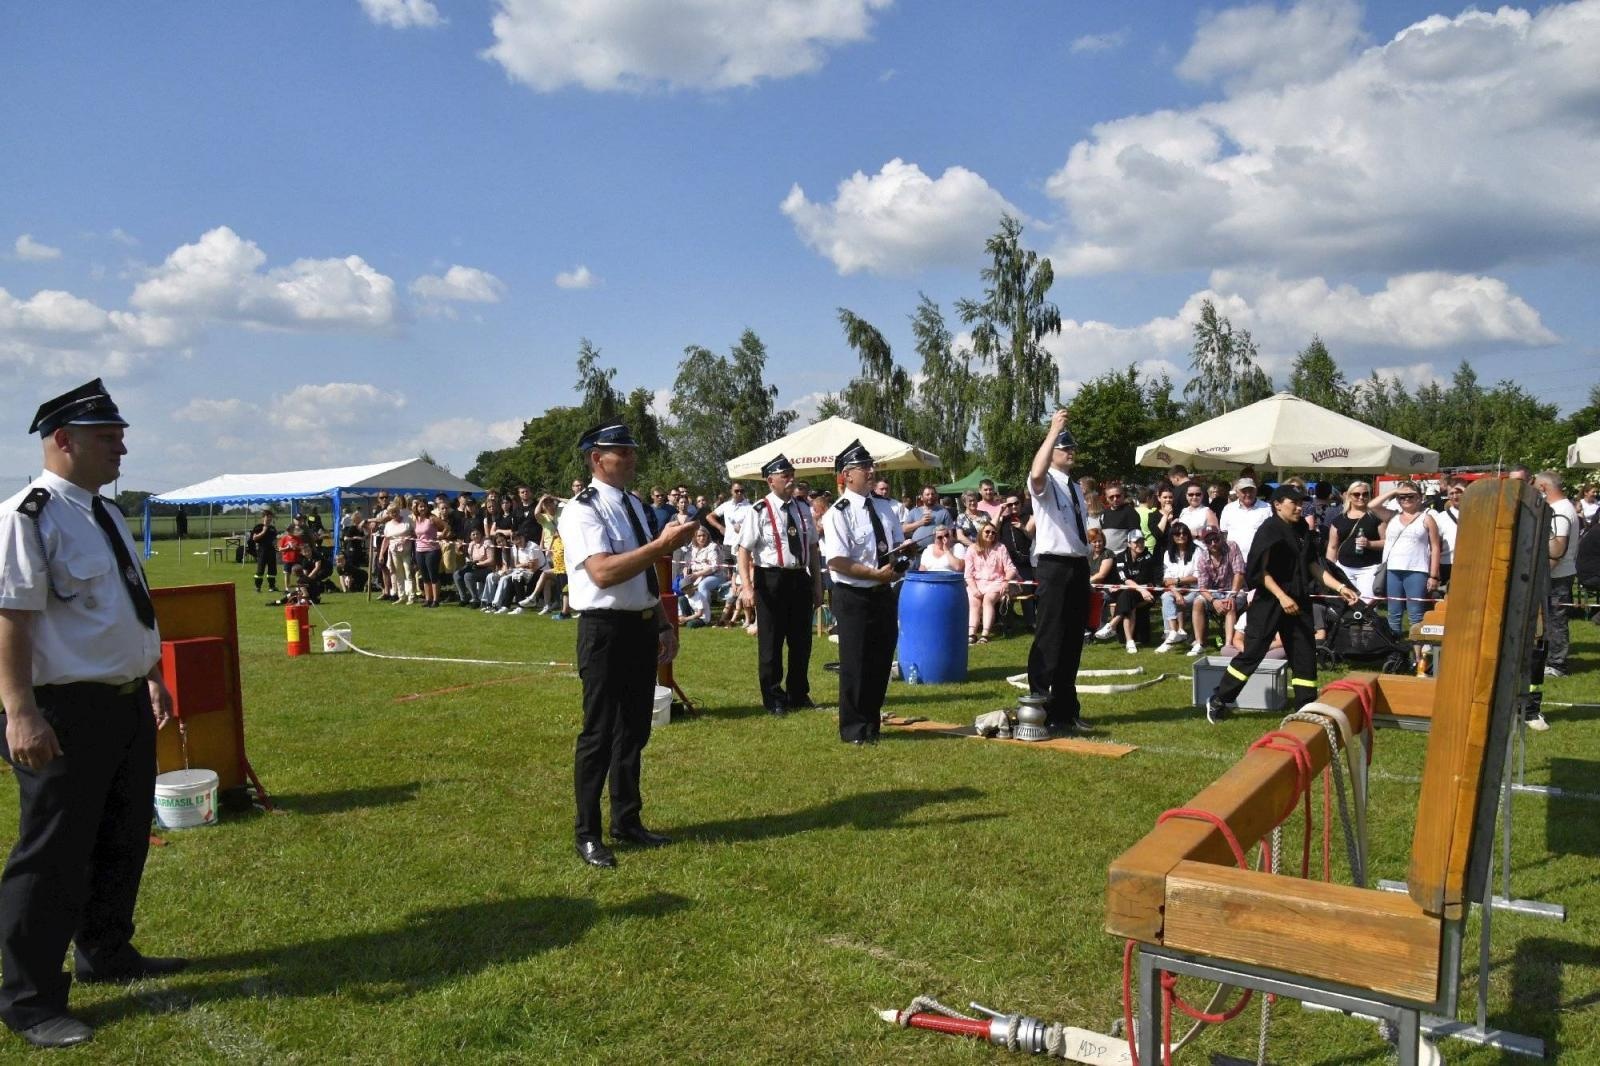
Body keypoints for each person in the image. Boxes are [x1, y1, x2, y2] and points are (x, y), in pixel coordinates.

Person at [0, 379, 186, 1049]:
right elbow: (11, 619)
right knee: (52, 854)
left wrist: (152, 677)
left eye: (121, 435)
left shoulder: (104, 513)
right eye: (109, 437)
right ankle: (28, 998)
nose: (123, 447)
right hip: (62, 707)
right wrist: (19, 712)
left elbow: (127, 607)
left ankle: (107, 951)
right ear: (62, 441)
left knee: (121, 836)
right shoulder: (28, 515)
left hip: (125, 699)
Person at [559, 423, 699, 868]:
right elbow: (604, 573)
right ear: (597, 459)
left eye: (632, 451)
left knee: (634, 729)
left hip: (639, 626)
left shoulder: (634, 505)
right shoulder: (583, 510)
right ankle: (587, 832)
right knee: (599, 732)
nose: (632, 459)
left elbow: (644, 577)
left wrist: (661, 622)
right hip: (604, 629)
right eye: (622, 452)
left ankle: (626, 818)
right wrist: (662, 544)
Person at [1205, 485, 1360, 724]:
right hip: (1270, 601)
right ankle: (1219, 699)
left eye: (1301, 503)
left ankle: (1306, 707)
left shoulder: (1302, 529)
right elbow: (1259, 571)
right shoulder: (1269, 530)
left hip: (1298, 600)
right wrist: (1281, 596)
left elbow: (1313, 566)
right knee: (1253, 653)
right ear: (1277, 504)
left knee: (1304, 654)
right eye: (1294, 503)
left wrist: (1340, 588)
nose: (1300, 507)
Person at [821, 440, 907, 745]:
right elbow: (838, 560)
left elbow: (896, 545)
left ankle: (872, 723)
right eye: (864, 467)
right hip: (854, 596)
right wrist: (875, 573)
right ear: (848, 474)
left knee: (881, 660)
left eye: (871, 466)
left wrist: (901, 562)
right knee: (855, 663)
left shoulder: (885, 508)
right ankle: (854, 728)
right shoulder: (838, 513)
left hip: (884, 592)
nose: (871, 471)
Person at [734, 454, 823, 716]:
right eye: (785, 475)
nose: (790, 479)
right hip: (771, 578)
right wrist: (747, 587)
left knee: (801, 641)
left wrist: (817, 585)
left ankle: (798, 693)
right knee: (771, 643)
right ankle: (773, 697)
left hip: (799, 578)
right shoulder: (759, 510)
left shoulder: (803, 508)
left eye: (791, 474)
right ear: (770, 480)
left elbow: (813, 548)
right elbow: (743, 551)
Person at [1025, 411, 1094, 735]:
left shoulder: (1074, 487)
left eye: (1072, 447)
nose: (1071, 451)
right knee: (1050, 638)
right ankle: (1038, 709)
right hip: (1054, 565)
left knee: (1071, 642)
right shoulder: (1047, 481)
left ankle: (1066, 710)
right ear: (1052, 450)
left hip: (1077, 566)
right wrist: (1053, 430)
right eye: (1064, 447)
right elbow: (1036, 472)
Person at [1381, 481, 1441, 638]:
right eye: (1402, 497)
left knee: (1416, 614)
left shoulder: (1427, 518)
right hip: (1393, 569)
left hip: (1417, 570)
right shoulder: (1392, 516)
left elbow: (1435, 547)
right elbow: (1372, 505)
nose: (1406, 499)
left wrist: (1433, 575)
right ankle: (1395, 652)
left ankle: (1418, 656)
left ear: (1419, 498)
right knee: (1393, 612)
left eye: (1411, 496)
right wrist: (1394, 491)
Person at [1535, 471, 1579, 679]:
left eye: (1536, 486)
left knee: (1556, 618)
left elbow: (1558, 549)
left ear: (1543, 487)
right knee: (1551, 618)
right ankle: (1551, 659)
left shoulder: (1560, 510)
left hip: (1557, 574)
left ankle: (1557, 664)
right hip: (1555, 572)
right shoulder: (1561, 507)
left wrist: (1541, 574)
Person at [1100, 531, 1161, 653]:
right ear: (1129, 543)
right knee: (1128, 598)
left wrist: (1141, 589)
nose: (1140, 544)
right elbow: (1125, 579)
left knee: (1127, 595)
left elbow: (1143, 580)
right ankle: (1129, 641)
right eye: (1136, 542)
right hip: (1134, 592)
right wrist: (1140, 589)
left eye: (1142, 541)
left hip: (1148, 594)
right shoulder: (1121, 557)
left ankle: (1112, 625)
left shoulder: (1148, 557)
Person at [1192, 526, 1246, 654]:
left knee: (1230, 604)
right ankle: (1199, 642)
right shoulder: (1202, 559)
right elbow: (1202, 587)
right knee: (1197, 602)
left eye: (1215, 539)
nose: (1213, 543)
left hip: (1236, 590)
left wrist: (1232, 595)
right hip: (1214, 593)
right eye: (1209, 541)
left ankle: (1228, 645)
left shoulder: (1232, 547)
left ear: (1220, 537)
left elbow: (1239, 573)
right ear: (1204, 543)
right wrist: (1214, 600)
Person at [964, 520, 1017, 644]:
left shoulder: (1001, 548)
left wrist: (1006, 581)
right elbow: (968, 574)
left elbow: (1010, 568)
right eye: (987, 531)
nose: (990, 534)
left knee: (988, 600)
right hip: (976, 583)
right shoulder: (972, 549)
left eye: (993, 533)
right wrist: (975, 590)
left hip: (996, 581)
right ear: (981, 533)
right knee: (974, 601)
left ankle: (985, 634)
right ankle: (971, 633)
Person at [1156, 522, 1200, 652]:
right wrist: (1176, 593)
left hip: (1194, 589)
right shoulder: (1167, 554)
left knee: (1181, 601)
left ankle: (1173, 636)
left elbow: (1197, 576)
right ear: (1172, 536)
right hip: (1176, 590)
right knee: (1166, 597)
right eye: (1177, 533)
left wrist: (1178, 580)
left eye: (1184, 533)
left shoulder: (1197, 551)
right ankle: (1173, 632)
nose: (1181, 536)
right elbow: (1165, 579)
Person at [680, 526, 726, 627]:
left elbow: (713, 567)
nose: (701, 538)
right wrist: (686, 574)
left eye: (704, 535)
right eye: (699, 536)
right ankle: (686, 614)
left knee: (703, 585)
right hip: (696, 575)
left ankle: (705, 615)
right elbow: (687, 564)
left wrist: (697, 574)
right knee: (683, 584)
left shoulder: (712, 547)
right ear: (695, 537)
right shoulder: (692, 548)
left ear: (707, 536)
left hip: (715, 576)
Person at [1219, 477, 1271, 562]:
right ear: (1237, 493)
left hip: (1258, 560)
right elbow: (1224, 533)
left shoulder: (1267, 508)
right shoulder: (1228, 509)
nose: (1248, 494)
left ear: (1256, 491)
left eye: (1251, 490)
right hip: (1233, 561)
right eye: (1244, 491)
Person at [1098, 482, 1142, 555]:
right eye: (1111, 497)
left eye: (1118, 496)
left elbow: (1135, 537)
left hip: (1123, 556)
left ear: (1123, 495)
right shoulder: (1104, 513)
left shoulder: (1130, 512)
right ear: (1106, 498)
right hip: (1106, 555)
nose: (1115, 499)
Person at [249, 508, 278, 593]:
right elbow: (254, 538)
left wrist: (276, 544)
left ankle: (272, 587)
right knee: (260, 570)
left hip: (271, 551)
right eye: (267, 517)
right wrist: (263, 531)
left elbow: (274, 539)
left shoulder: (272, 528)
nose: (269, 519)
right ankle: (258, 587)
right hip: (262, 551)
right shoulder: (258, 527)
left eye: (270, 517)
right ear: (263, 518)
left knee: (272, 570)